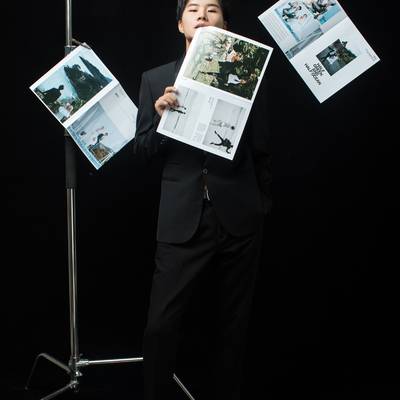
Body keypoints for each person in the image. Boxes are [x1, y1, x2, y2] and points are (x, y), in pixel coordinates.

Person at [133, 1, 271, 399]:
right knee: (160, 326)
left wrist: (261, 206)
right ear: (181, 24)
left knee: (233, 326)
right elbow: (141, 152)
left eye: (212, 9)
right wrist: (162, 119)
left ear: (224, 24)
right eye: (193, 9)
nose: (203, 15)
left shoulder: (248, 73)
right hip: (181, 217)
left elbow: (262, 147)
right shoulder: (155, 79)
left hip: (239, 215)